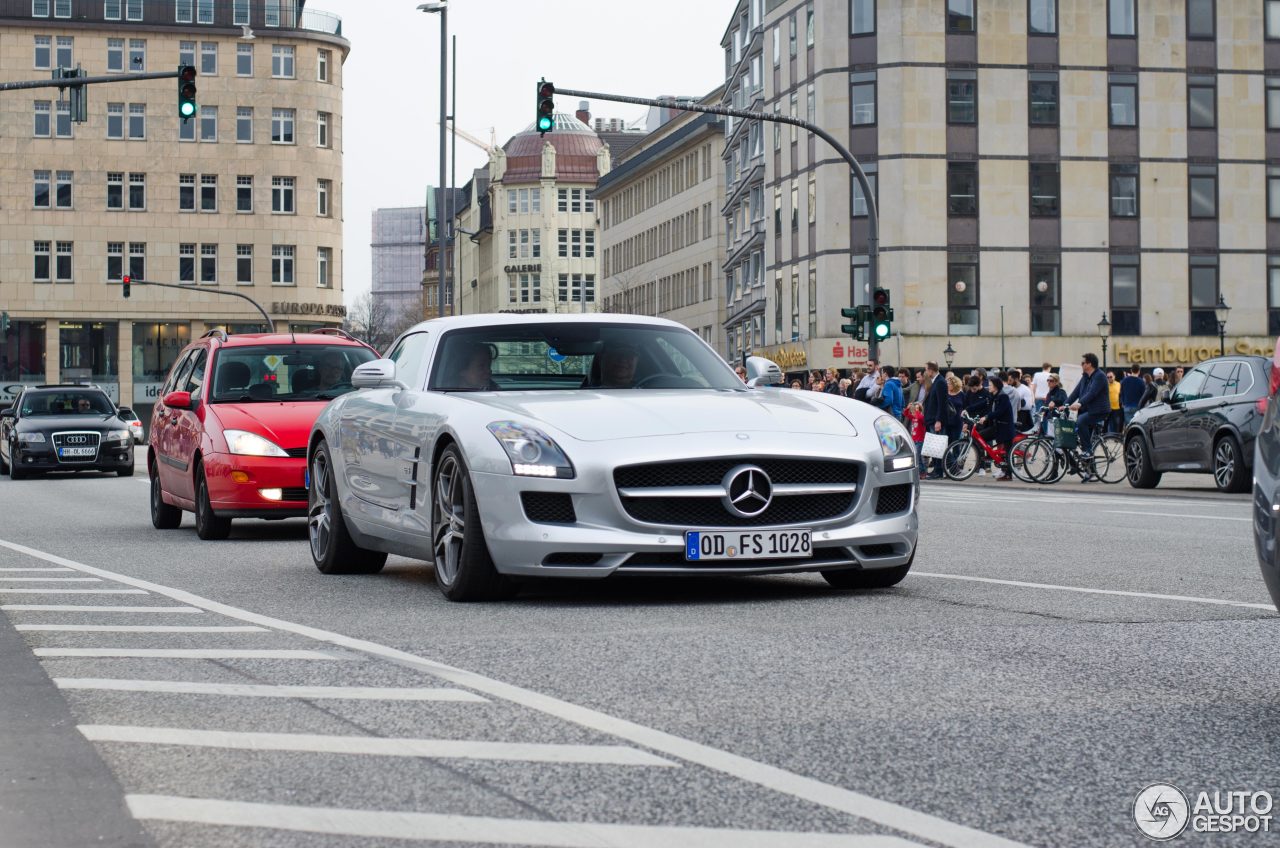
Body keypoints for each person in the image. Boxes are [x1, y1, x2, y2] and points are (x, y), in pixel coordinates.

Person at [1067, 352, 1110, 455]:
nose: (1081, 365)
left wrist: (1079, 404)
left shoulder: (1100, 376)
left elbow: (1092, 393)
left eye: (1083, 363)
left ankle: (1088, 450)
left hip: (1099, 410)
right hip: (1088, 410)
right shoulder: (1086, 376)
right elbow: (1075, 393)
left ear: (1089, 364)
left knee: (1081, 421)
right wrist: (1064, 405)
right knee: (1071, 423)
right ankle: (1087, 466)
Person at [977, 376, 1015, 480]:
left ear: (996, 386)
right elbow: (982, 404)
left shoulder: (1003, 397)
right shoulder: (992, 396)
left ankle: (1008, 474)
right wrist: (967, 409)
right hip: (997, 427)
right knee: (979, 436)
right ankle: (989, 456)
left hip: (1005, 427)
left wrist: (987, 417)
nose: (988, 387)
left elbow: (1000, 411)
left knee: (1008, 451)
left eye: (990, 385)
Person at [921, 361, 949, 479]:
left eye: (926, 370)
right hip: (932, 419)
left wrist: (938, 420)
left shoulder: (940, 382)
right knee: (935, 446)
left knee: (938, 446)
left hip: (936, 420)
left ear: (931, 370)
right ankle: (937, 470)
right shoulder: (936, 381)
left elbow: (942, 403)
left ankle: (938, 471)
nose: (926, 372)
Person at [904, 402, 925, 468]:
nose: (916, 410)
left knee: (917, 457)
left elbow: (919, 417)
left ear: (920, 410)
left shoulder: (921, 417)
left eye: (917, 408)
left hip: (919, 440)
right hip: (914, 440)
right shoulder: (913, 417)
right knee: (917, 457)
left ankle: (922, 471)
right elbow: (905, 414)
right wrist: (908, 408)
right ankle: (922, 471)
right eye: (914, 408)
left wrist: (915, 410)